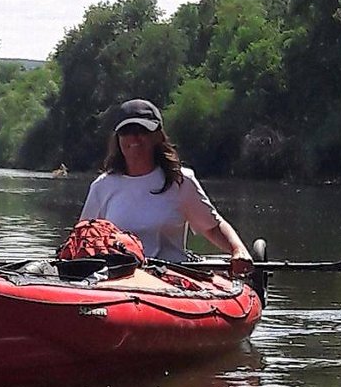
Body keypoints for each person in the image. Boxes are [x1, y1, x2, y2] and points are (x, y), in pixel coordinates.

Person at [79, 98, 253, 271]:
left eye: (143, 130)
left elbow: (213, 227)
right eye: (127, 131)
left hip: (170, 278)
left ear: (157, 136)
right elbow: (84, 237)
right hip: (119, 280)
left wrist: (238, 251)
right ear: (118, 138)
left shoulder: (180, 180)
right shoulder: (102, 186)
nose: (135, 138)